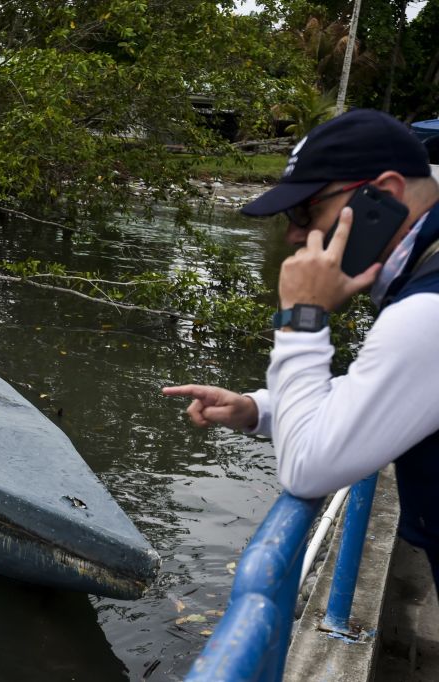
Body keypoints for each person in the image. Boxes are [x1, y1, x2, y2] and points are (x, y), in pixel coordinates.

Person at [162, 108, 439, 584]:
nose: (293, 234)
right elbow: (385, 392)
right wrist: (259, 410)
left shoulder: (427, 308)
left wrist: (302, 317)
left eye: (306, 211)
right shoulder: (420, 280)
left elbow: (307, 468)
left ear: (385, 195)